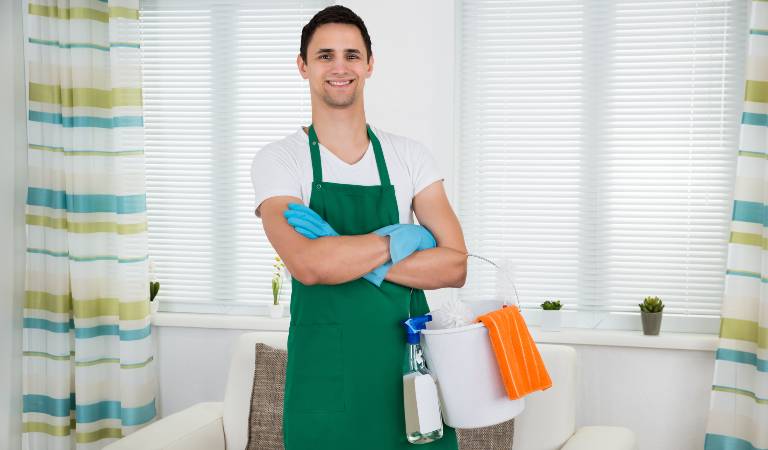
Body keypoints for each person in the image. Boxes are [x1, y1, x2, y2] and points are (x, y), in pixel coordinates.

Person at [250, 5, 467, 449]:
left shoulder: (410, 157)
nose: (339, 67)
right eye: (325, 55)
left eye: (352, 54)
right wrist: (400, 241)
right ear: (303, 66)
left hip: (408, 371)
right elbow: (308, 266)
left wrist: (339, 250)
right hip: (325, 377)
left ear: (369, 64)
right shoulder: (280, 161)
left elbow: (454, 266)